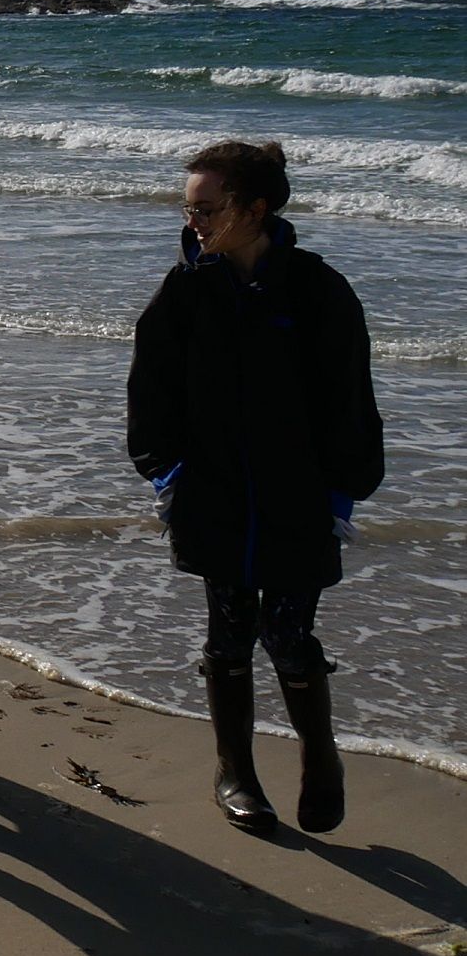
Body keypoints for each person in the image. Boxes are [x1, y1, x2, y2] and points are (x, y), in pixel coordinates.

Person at [127, 141, 383, 836]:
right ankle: (234, 771)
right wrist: (167, 474)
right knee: (229, 633)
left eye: (206, 209)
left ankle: (319, 758)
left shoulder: (316, 290)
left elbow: (350, 402)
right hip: (209, 492)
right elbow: (150, 392)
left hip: (298, 496)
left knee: (288, 634)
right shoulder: (183, 289)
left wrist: (342, 495)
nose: (194, 221)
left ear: (254, 208)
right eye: (188, 208)